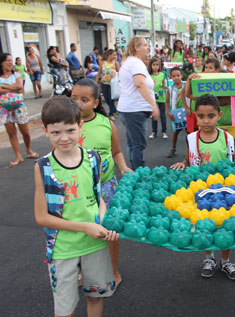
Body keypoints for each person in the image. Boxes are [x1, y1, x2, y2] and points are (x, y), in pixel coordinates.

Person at [34, 96, 119, 316]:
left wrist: (104, 220)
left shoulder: (93, 158)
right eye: (55, 132)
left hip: (95, 244)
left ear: (80, 126)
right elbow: (42, 217)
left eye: (70, 130)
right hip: (63, 249)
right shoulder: (43, 166)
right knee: (65, 308)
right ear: (45, 131)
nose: (64, 138)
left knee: (95, 296)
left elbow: (97, 197)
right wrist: (85, 227)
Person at [170, 93, 235, 280]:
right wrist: (183, 164)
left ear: (219, 115)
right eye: (201, 116)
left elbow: (233, 163)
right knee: (204, 225)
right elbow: (188, 159)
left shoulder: (227, 138)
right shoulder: (192, 138)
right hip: (202, 192)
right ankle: (209, 257)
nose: (206, 121)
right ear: (195, 117)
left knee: (226, 225)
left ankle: (226, 261)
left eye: (211, 116)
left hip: (225, 192)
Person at [71, 78, 132, 287]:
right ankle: (82, 271)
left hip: (106, 187)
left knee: (110, 232)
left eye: (84, 99)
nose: (77, 103)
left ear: (96, 103)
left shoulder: (107, 124)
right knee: (81, 231)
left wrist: (123, 168)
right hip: (77, 191)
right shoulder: (68, 126)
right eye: (73, 98)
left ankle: (113, 271)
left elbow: (116, 152)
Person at [117, 36, 159, 170]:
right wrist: (154, 105)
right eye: (145, 45)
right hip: (134, 110)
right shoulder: (135, 63)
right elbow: (140, 84)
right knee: (138, 145)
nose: (148, 48)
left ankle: (135, 170)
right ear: (136, 47)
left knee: (133, 144)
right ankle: (138, 173)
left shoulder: (130, 62)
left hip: (130, 109)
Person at [1, 52, 39, 167]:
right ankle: (18, 156)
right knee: (11, 134)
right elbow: (15, 88)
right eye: (8, 60)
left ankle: (28, 149)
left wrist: (3, 87)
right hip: (4, 110)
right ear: (1, 62)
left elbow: (20, 87)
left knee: (25, 132)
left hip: (18, 108)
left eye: (11, 60)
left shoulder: (16, 74)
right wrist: (13, 88)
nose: (10, 62)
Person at [165, 67, 187, 158]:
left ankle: (192, 149)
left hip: (186, 113)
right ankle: (173, 148)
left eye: (178, 75)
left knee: (189, 131)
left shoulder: (186, 85)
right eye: (174, 76)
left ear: (181, 75)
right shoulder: (170, 88)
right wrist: (168, 112)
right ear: (171, 77)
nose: (176, 78)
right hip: (176, 114)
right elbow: (166, 101)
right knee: (176, 131)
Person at [96, 49, 120, 119]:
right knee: (106, 98)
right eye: (114, 55)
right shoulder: (102, 63)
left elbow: (120, 73)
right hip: (104, 83)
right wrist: (96, 81)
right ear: (109, 55)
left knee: (110, 98)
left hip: (112, 84)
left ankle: (111, 113)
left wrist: (115, 74)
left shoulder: (116, 63)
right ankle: (114, 110)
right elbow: (99, 73)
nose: (116, 56)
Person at [148, 57, 168, 140]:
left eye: (157, 65)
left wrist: (167, 88)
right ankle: (154, 131)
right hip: (153, 98)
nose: (155, 67)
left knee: (162, 115)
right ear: (151, 66)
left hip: (161, 97)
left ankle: (164, 131)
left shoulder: (162, 74)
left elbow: (164, 85)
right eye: (154, 65)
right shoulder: (149, 76)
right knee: (154, 115)